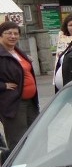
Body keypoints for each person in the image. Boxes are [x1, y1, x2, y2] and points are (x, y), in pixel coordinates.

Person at [0, 21, 39, 149]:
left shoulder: (17, 51)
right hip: (14, 104)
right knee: (18, 142)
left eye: (16, 33)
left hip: (30, 102)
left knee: (36, 135)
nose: (13, 36)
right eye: (9, 33)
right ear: (1, 35)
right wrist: (4, 86)